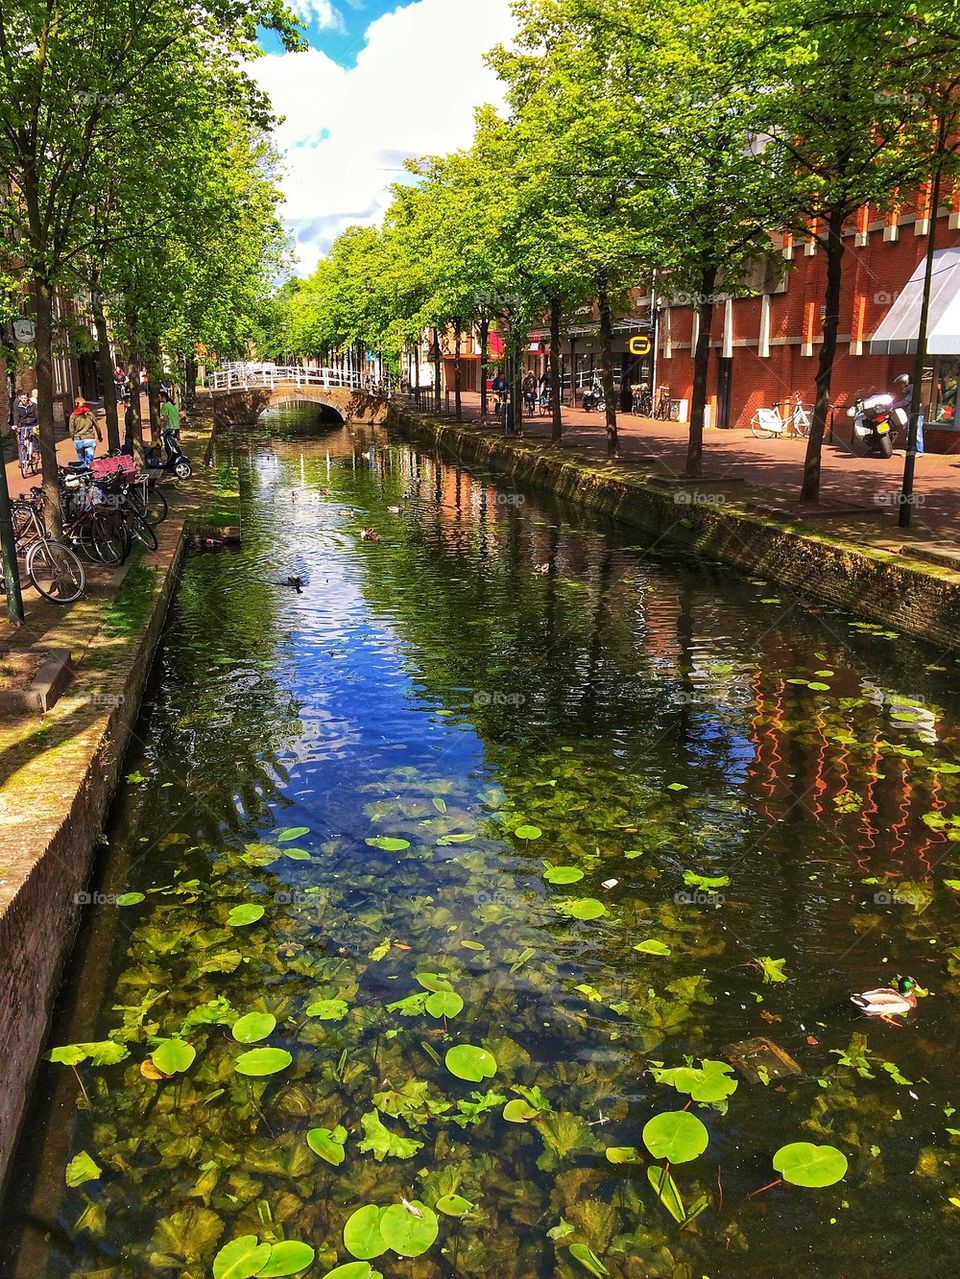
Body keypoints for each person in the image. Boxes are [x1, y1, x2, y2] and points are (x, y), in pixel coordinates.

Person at [892, 372, 923, 455]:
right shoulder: (909, 389)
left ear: (905, 382)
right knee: (911, 432)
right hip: (912, 413)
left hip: (916, 414)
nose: (900, 386)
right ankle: (911, 451)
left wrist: (893, 406)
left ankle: (919, 451)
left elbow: (906, 402)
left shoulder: (911, 388)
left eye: (901, 384)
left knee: (916, 432)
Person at [69, 394, 102, 465]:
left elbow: (71, 429)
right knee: (89, 460)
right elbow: (97, 426)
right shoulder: (90, 414)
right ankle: (89, 471)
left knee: (82, 461)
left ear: (76, 404)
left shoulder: (73, 415)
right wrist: (99, 436)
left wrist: (73, 438)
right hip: (90, 439)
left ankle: (84, 472)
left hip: (78, 440)